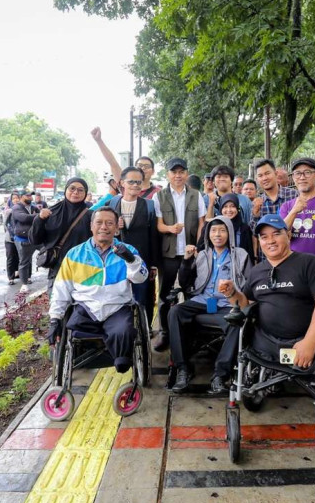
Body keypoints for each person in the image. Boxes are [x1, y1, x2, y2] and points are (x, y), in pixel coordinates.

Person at [220, 214, 315, 369]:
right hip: (265, 345)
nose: (271, 241)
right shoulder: (257, 271)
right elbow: (246, 305)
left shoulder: (309, 263)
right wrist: (232, 293)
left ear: (288, 235)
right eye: (264, 237)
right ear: (259, 241)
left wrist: (310, 341)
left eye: (276, 234)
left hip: (302, 342)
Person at [46, 207, 149, 373]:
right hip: (86, 308)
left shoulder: (129, 251)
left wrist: (131, 260)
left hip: (117, 307)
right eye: (99, 222)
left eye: (110, 223)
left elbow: (141, 278)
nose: (104, 227)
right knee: (73, 328)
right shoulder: (74, 254)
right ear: (91, 226)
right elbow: (61, 289)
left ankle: (121, 360)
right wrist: (54, 319)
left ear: (116, 228)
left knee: (124, 331)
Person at [168, 216, 253, 393]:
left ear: (229, 233)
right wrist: (186, 260)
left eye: (222, 230)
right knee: (175, 312)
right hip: (202, 300)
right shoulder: (202, 255)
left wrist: (236, 292)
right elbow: (184, 284)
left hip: (227, 303)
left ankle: (220, 375)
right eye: (213, 231)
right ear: (208, 234)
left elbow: (249, 286)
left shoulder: (241, 255)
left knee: (237, 322)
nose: (218, 234)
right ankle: (183, 369)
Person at [153, 158, 207, 351]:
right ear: (168, 174)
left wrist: (197, 245)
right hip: (168, 253)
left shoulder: (196, 195)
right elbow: (158, 225)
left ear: (186, 173)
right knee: (166, 294)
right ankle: (165, 332)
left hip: (190, 252)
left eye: (181, 172)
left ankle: (191, 332)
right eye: (174, 172)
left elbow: (202, 223)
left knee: (192, 290)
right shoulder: (159, 196)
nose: (178, 175)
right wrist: (170, 228)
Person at [107, 167, 159, 323]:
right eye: (131, 182)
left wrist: (153, 265)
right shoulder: (113, 202)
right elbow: (104, 228)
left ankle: (145, 329)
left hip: (141, 259)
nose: (135, 185)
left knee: (142, 297)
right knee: (117, 297)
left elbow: (154, 237)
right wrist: (116, 228)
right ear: (122, 183)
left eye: (138, 182)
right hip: (116, 259)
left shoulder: (149, 205)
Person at [30, 178, 93, 289]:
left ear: (85, 193)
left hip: (84, 268)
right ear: (65, 190)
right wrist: (39, 220)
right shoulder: (51, 212)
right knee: (58, 304)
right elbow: (35, 240)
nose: (76, 192)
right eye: (72, 188)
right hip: (58, 268)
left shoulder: (91, 215)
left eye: (80, 190)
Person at [198, 194, 255, 262]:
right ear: (221, 209)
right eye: (225, 206)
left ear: (237, 208)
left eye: (232, 206)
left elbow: (249, 253)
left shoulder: (244, 229)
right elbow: (201, 247)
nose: (229, 210)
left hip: (239, 267)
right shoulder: (214, 226)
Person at [252, 159, 298, 236]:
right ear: (257, 179)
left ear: (275, 174)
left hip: (291, 246)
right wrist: (256, 215)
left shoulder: (293, 195)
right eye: (260, 175)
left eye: (267, 173)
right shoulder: (257, 203)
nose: (264, 178)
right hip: (269, 247)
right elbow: (255, 233)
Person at [12, 189, 39, 292]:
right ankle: (24, 283)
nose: (30, 198)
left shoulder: (33, 207)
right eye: (28, 196)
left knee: (48, 251)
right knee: (24, 261)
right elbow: (23, 218)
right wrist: (38, 216)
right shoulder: (16, 208)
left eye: (31, 196)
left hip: (35, 238)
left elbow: (43, 217)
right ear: (21, 197)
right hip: (23, 239)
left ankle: (29, 277)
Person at [3, 193, 21, 285]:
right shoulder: (8, 211)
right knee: (10, 257)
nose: (16, 200)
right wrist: (10, 233)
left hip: (21, 238)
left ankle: (19, 272)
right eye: (13, 198)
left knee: (20, 257)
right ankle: (11, 277)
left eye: (17, 198)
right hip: (10, 238)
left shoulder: (23, 210)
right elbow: (5, 225)